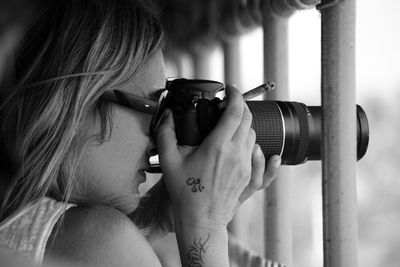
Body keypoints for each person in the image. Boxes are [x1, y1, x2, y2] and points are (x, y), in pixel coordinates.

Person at [0, 0, 281, 266]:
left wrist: (155, 219)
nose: (161, 135)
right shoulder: (104, 243)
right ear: (76, 101)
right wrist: (203, 225)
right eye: (157, 106)